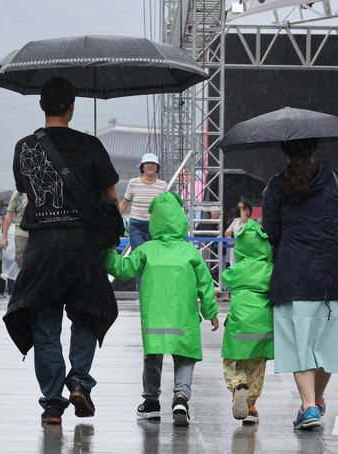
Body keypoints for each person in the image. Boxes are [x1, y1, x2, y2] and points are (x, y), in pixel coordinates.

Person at [3, 77, 120, 425]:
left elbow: (25, 191)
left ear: (41, 105)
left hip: (44, 247)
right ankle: (79, 382)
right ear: (73, 106)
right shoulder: (92, 145)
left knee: (45, 323)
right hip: (83, 246)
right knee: (85, 314)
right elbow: (112, 200)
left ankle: (53, 403)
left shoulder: (25, 147)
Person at [262, 138, 338, 430]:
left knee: (299, 343)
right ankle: (315, 401)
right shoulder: (335, 177)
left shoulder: (276, 185)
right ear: (316, 148)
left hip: (295, 271)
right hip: (335, 272)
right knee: (329, 341)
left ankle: (309, 406)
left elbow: (271, 230)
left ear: (285, 152)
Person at [104, 192, 219, 427]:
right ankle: (180, 398)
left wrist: (107, 251)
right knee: (185, 357)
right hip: (184, 318)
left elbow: (123, 268)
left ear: (154, 221)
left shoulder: (147, 249)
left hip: (154, 318)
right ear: (180, 219)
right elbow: (206, 285)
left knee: (152, 358)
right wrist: (211, 313)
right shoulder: (190, 252)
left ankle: (151, 403)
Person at [220, 219, 274, 424]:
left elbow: (225, 278)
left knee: (232, 362)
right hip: (263, 328)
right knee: (258, 366)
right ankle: (250, 405)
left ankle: (237, 384)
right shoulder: (270, 270)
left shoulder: (236, 271)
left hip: (239, 327)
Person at [118, 153, 166, 289]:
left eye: (153, 164)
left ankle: (153, 290)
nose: (150, 166)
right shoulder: (133, 183)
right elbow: (124, 203)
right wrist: (113, 220)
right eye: (147, 163)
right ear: (142, 167)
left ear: (157, 168)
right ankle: (142, 293)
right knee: (140, 259)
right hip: (136, 227)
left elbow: (165, 208)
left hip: (155, 228)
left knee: (153, 260)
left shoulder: (162, 186)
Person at [1, 191, 28, 268]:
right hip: (21, 234)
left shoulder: (39, 191)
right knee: (21, 260)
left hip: (37, 234)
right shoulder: (18, 194)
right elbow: (9, 215)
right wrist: (4, 237)